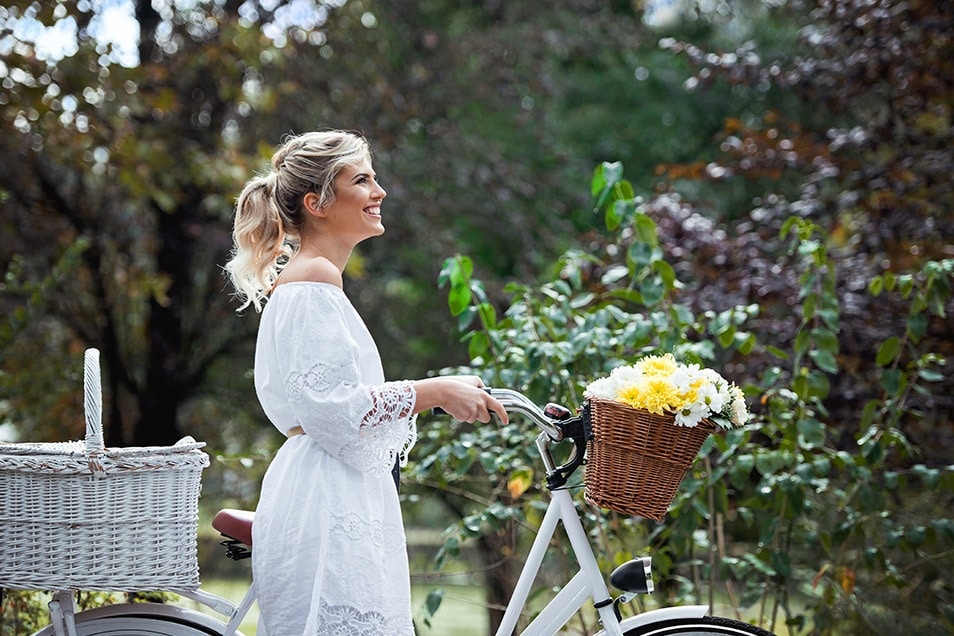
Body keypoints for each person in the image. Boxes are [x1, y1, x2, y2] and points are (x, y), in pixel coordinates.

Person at [224, 129, 508, 635]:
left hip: (333, 492)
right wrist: (438, 392)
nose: (380, 192)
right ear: (318, 203)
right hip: (327, 498)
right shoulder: (313, 280)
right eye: (363, 180)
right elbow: (336, 411)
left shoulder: (309, 278)